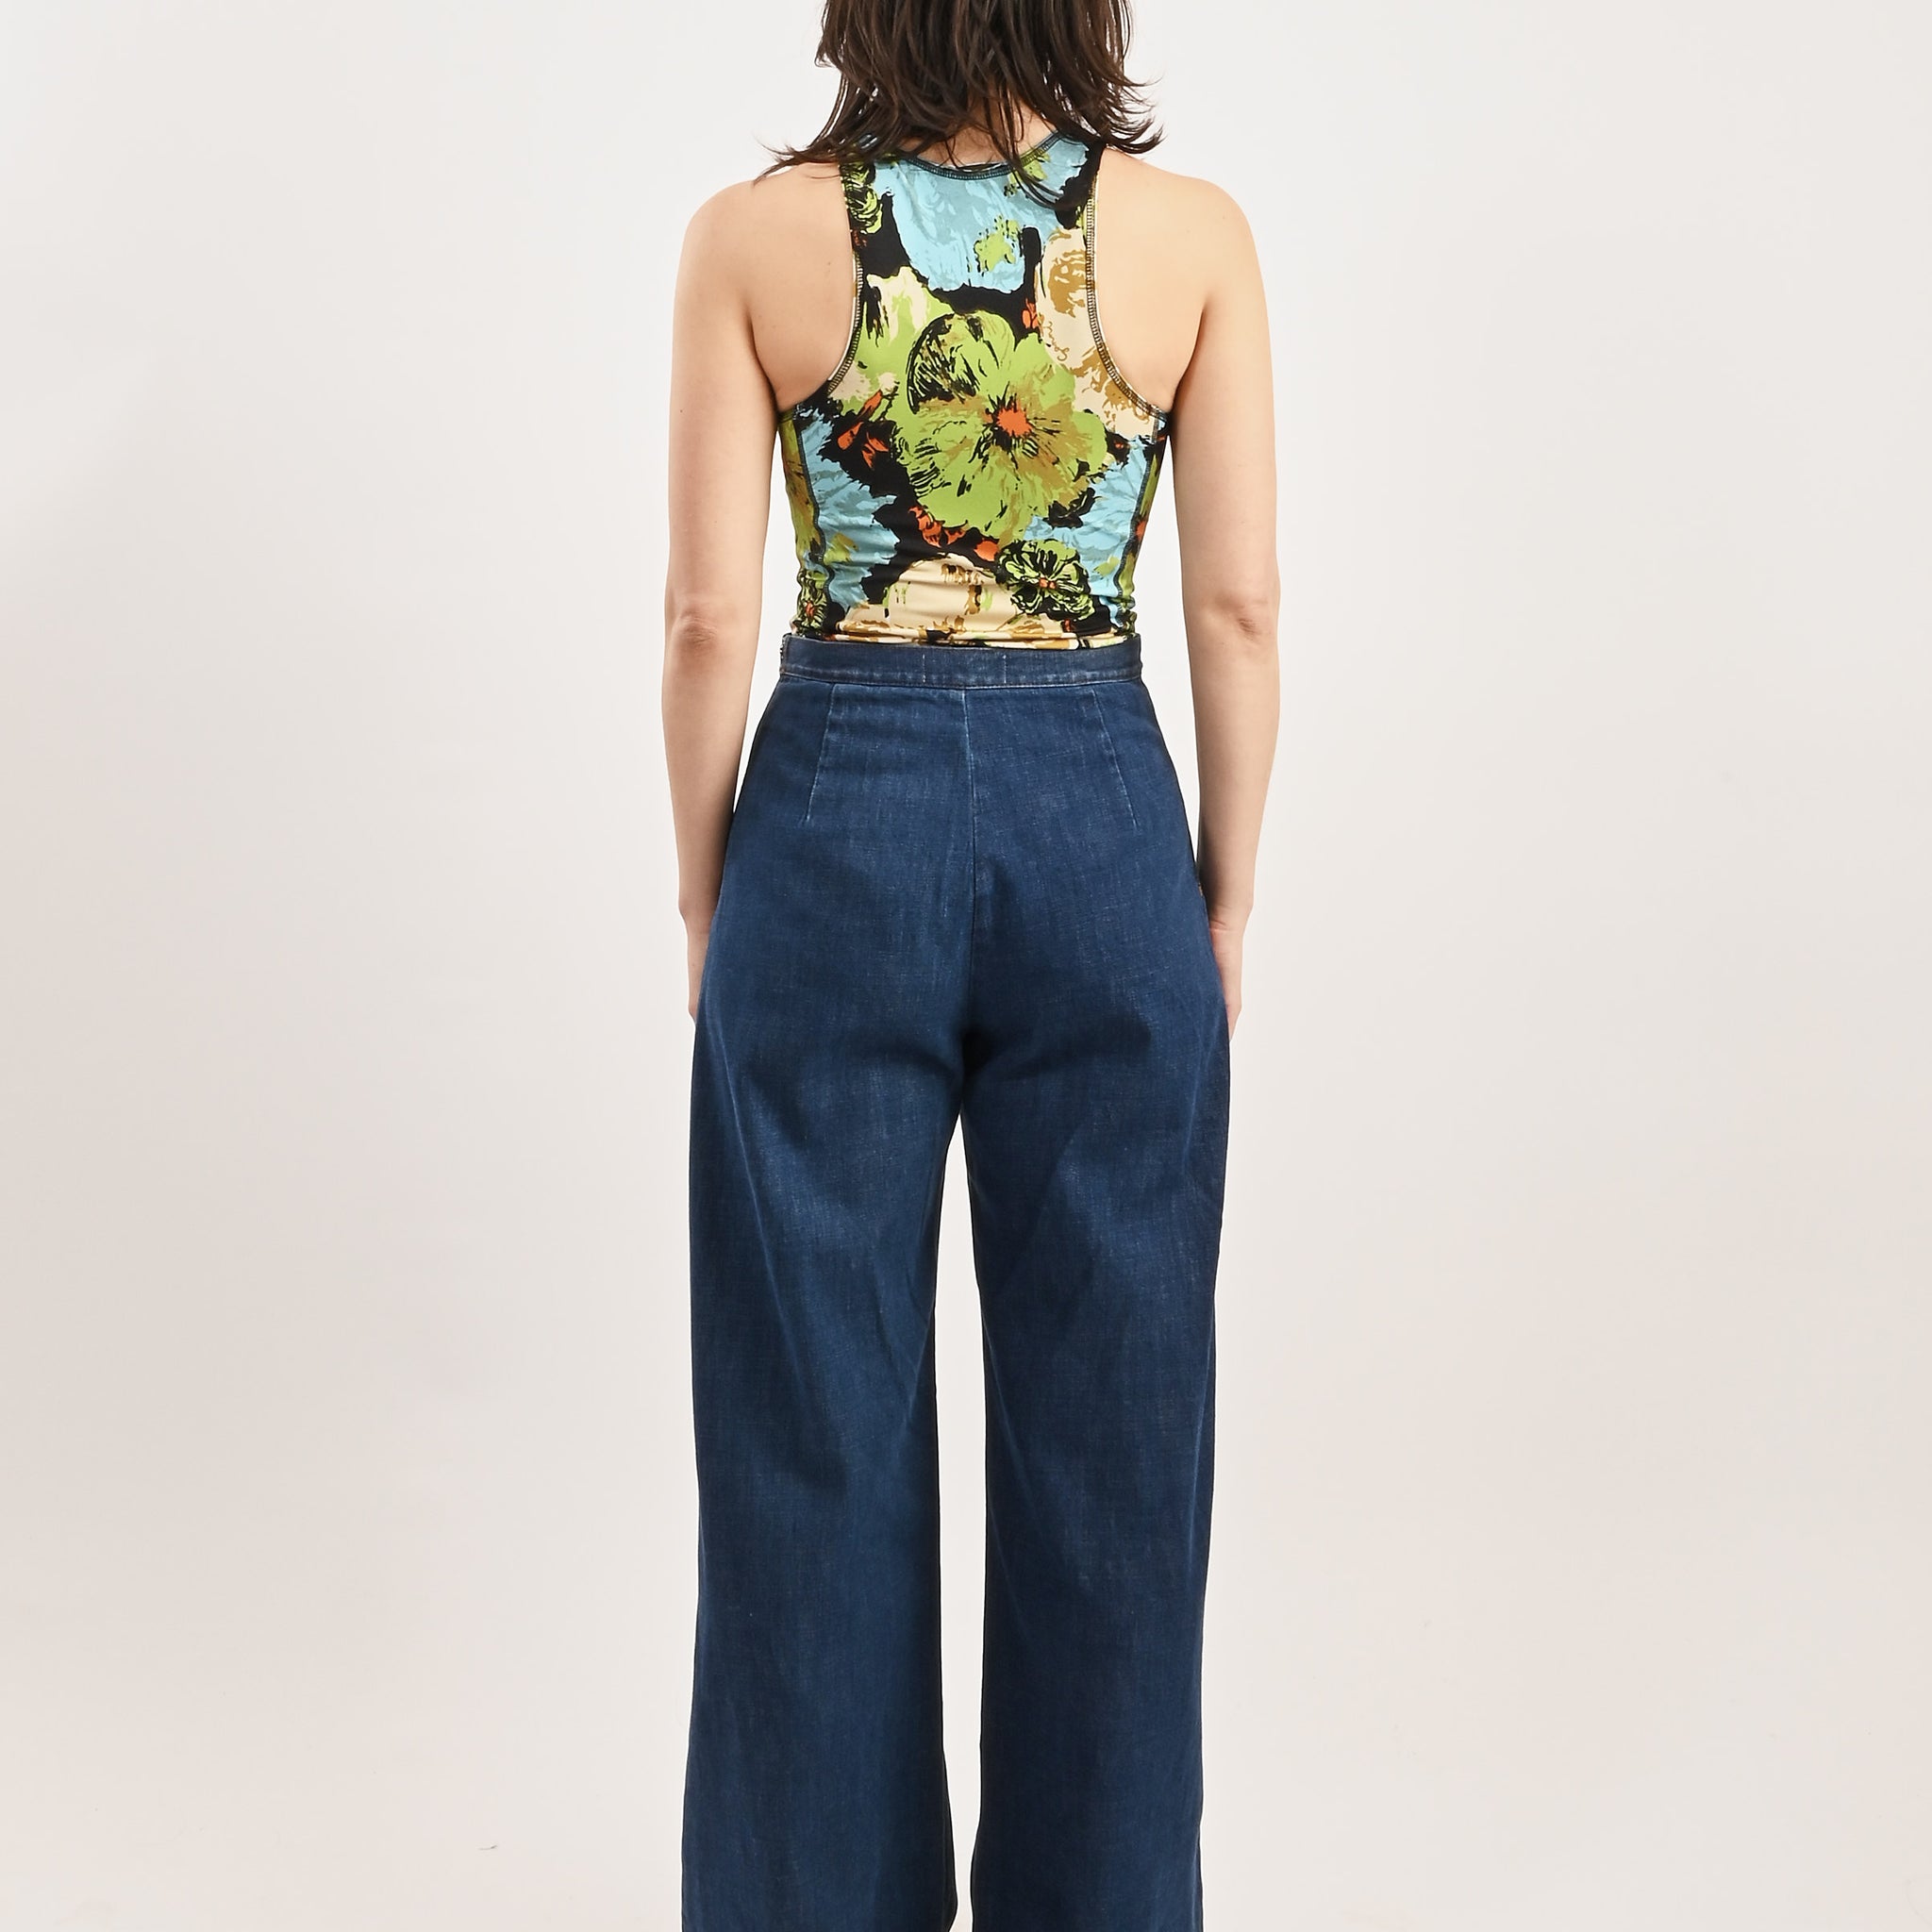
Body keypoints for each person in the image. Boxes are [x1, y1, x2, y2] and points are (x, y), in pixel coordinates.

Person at [661, 1, 1277, 1923]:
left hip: (830, 822)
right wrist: (1222, 897)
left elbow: (704, 616)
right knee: (1119, 1441)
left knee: (807, 1431)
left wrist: (705, 890)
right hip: (1104, 825)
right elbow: (1238, 609)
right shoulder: (1191, 240)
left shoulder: (752, 241)